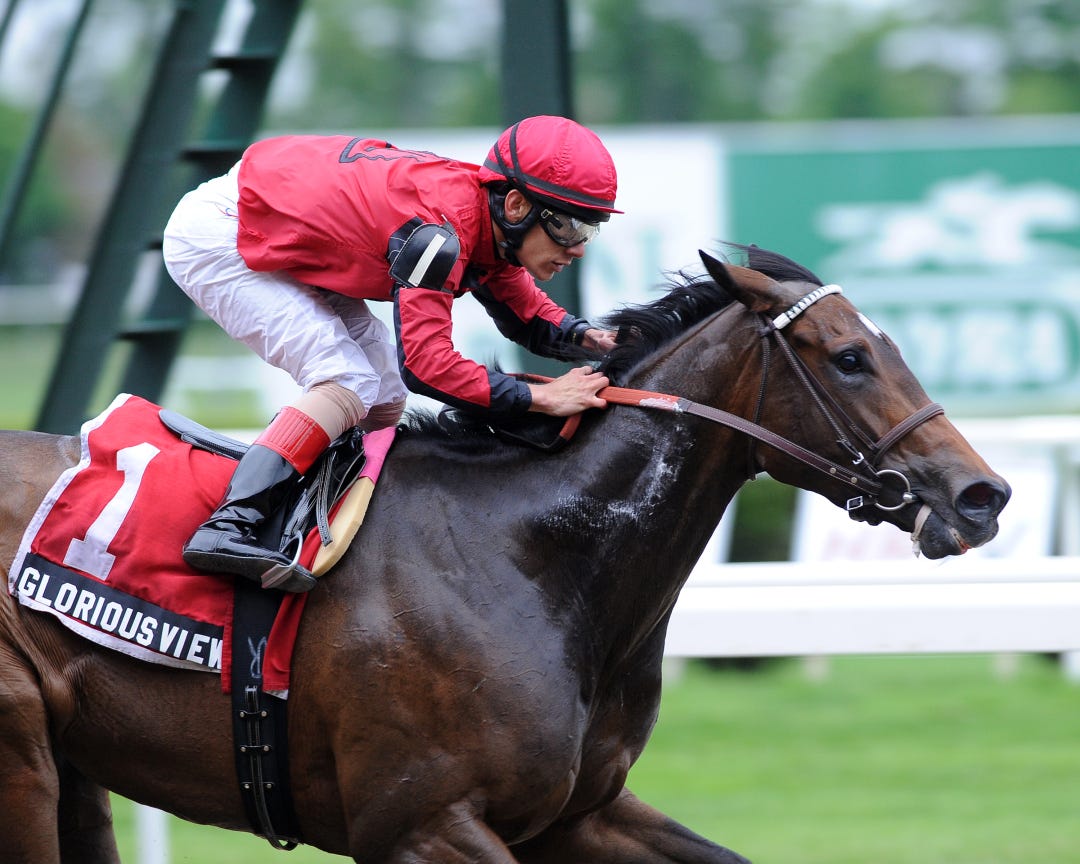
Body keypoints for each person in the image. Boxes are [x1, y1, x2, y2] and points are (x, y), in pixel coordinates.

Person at [162, 115, 621, 593]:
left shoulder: (491, 220)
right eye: (568, 226)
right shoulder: (439, 232)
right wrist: (540, 398)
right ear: (516, 204)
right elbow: (426, 366)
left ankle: (322, 519)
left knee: (383, 391)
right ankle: (229, 525)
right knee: (346, 379)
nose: (578, 249)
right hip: (223, 232)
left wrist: (591, 337)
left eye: (589, 231)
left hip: (277, 217)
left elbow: (525, 315)